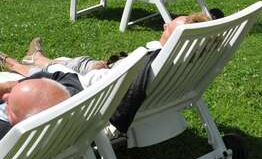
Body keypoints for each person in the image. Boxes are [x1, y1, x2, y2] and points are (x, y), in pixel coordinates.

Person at [0, 12, 211, 139]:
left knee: (54, 73)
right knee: (73, 64)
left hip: (92, 93)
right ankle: (35, 58)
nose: (164, 24)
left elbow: (105, 86)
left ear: (176, 38)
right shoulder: (190, 64)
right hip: (107, 80)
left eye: (167, 28)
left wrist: (96, 73)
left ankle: (19, 63)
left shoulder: (148, 60)